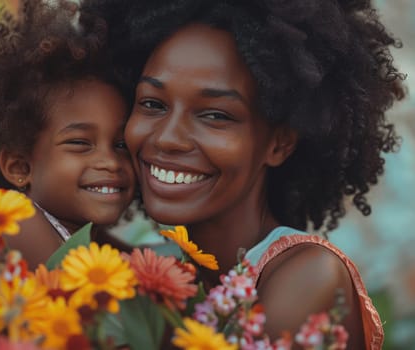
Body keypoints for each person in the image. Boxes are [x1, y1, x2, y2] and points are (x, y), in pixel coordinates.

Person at [94, 0, 406, 348]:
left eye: (215, 115)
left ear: (279, 143)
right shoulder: (156, 265)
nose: (167, 138)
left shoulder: (310, 275)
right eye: (152, 104)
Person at [0, 0, 136, 269]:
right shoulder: (21, 224)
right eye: (80, 143)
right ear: (19, 166)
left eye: (121, 144)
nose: (111, 162)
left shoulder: (96, 239)